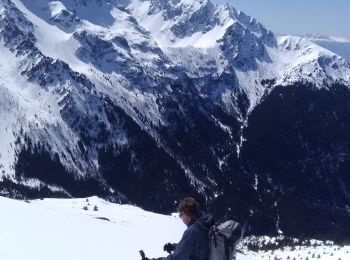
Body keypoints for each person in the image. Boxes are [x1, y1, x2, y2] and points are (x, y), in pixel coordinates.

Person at [142, 197, 215, 260]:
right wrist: (173, 246)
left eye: (180, 215)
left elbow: (177, 258)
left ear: (185, 214)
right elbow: (191, 246)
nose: (180, 217)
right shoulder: (205, 223)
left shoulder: (193, 231)